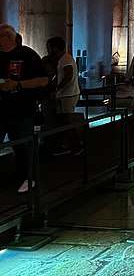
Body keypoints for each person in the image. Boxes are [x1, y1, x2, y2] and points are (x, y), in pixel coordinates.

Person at [0, 24, 49, 193]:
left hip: (21, 110)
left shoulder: (27, 55)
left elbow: (43, 79)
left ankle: (31, 177)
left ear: (8, 37)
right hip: (1, 109)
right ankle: (18, 174)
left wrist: (19, 84)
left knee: (25, 146)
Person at [48, 36, 84, 156]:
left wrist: (58, 87)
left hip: (67, 94)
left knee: (66, 120)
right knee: (64, 120)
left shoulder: (65, 59)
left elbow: (68, 75)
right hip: (68, 93)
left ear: (54, 48)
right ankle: (67, 144)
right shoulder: (66, 58)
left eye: (49, 47)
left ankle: (76, 145)